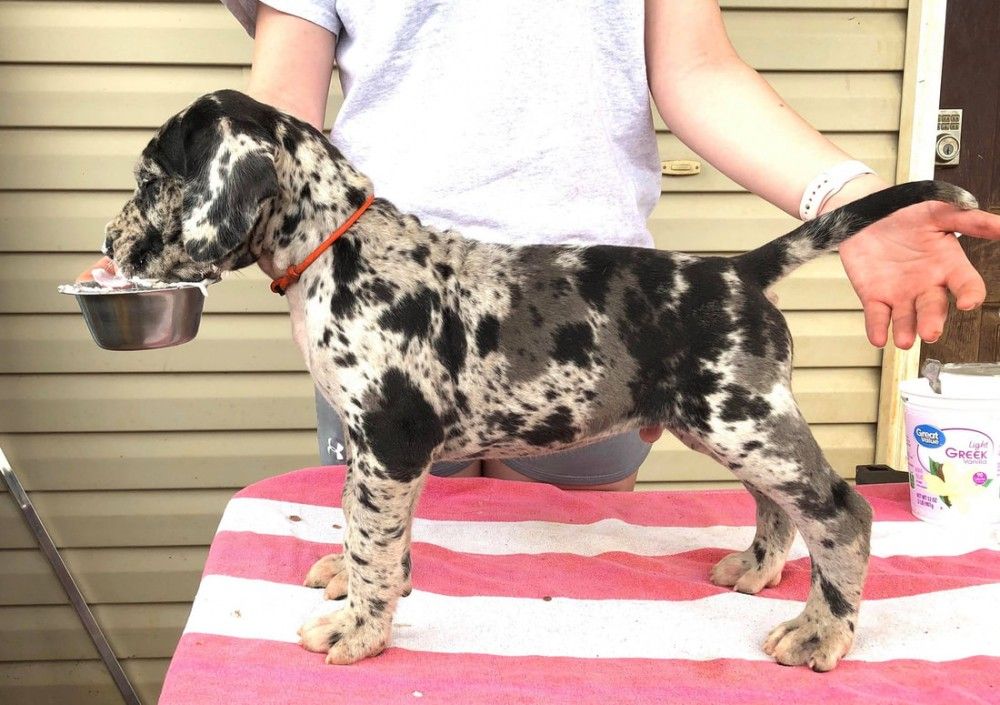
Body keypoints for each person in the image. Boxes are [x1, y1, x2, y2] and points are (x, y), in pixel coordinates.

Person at [83, 1, 1000, 491]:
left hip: (591, 323)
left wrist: (849, 200)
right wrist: (165, 248)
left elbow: (696, 68)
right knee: (404, 614)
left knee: (570, 617)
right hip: (383, 322)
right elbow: (276, 127)